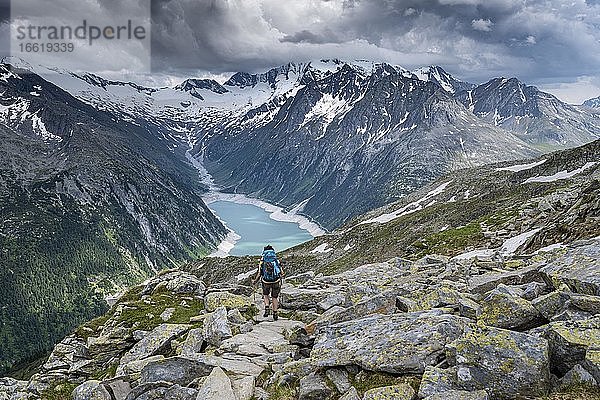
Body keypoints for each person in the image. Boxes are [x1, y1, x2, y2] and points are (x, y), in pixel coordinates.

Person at [253, 245, 284, 321]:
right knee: (274, 297)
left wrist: (255, 281)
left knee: (266, 294)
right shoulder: (276, 260)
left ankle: (267, 307)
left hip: (265, 281)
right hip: (276, 281)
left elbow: (260, 273)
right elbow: (282, 273)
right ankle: (275, 313)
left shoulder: (262, 261)